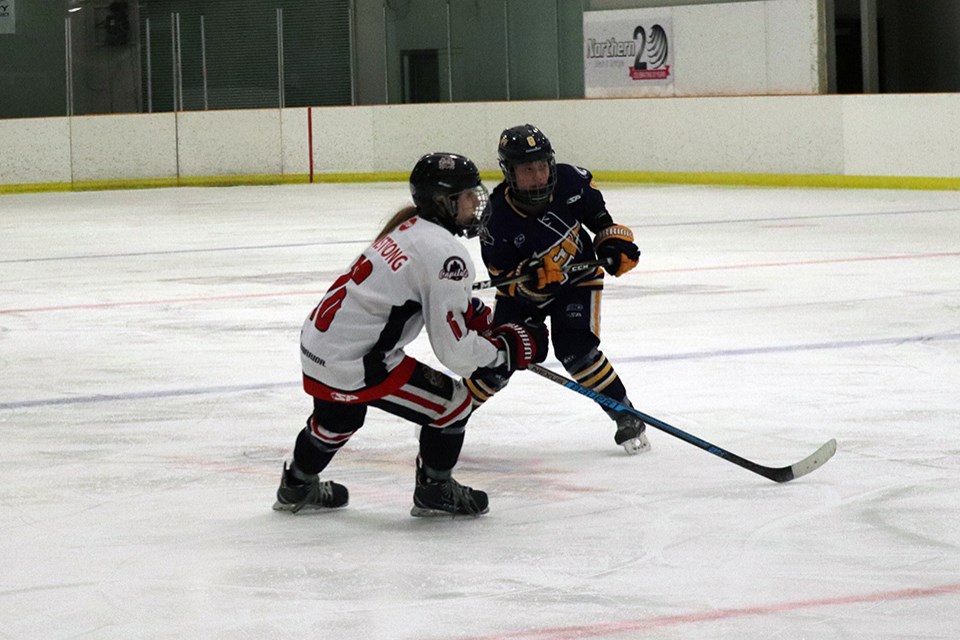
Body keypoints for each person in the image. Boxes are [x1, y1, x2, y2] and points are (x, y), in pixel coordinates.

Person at [274, 152, 548, 517]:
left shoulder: (409, 228)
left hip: (319, 347)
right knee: (453, 405)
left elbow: (437, 299)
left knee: (338, 419)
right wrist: (504, 351)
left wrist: (483, 320)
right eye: (467, 195)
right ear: (443, 202)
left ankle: (295, 485)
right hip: (359, 362)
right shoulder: (445, 252)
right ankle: (435, 490)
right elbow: (455, 354)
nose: (475, 203)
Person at [465, 124, 650, 455]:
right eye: (526, 170)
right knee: (501, 356)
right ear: (510, 173)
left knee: (576, 349)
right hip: (522, 298)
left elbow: (600, 219)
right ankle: (452, 412)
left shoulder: (570, 181)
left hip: (577, 282)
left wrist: (615, 242)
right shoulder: (495, 218)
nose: (537, 176)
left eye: (541, 166)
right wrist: (530, 280)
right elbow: (502, 278)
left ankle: (625, 413)